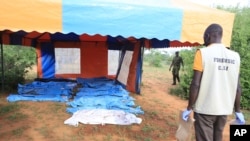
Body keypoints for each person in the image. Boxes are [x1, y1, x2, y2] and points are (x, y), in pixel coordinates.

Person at [182, 23, 245, 141]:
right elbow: (237, 87)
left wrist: (189, 107)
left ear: (207, 36)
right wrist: (238, 111)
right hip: (224, 110)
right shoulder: (235, 56)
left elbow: (196, 84)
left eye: (204, 38)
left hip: (205, 110)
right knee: (218, 137)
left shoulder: (202, 53)